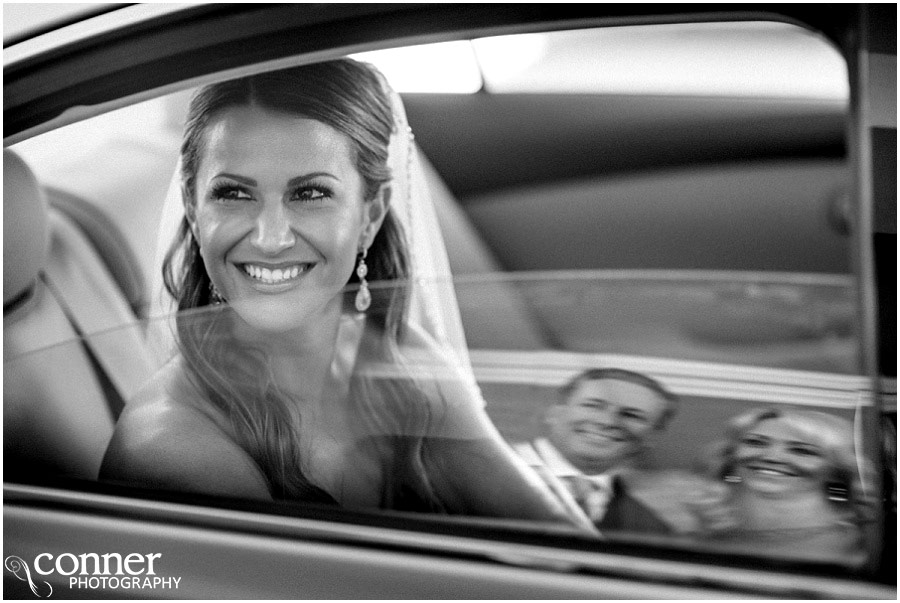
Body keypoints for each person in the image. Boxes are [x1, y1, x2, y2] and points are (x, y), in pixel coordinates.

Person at [100, 59, 588, 528]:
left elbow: (552, 533)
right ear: (192, 205)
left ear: (370, 215)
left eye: (310, 194)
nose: (271, 239)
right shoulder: (172, 451)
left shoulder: (396, 360)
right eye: (234, 193)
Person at [515, 367, 721, 535]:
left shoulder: (651, 518)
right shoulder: (492, 467)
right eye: (593, 406)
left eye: (632, 416)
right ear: (555, 413)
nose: (608, 422)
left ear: (650, 438)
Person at [697, 407, 874, 563]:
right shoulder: (700, 503)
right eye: (756, 442)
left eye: (801, 450)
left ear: (837, 470)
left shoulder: (854, 544)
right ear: (732, 453)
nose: (772, 457)